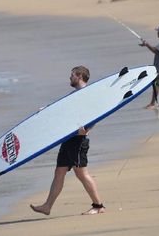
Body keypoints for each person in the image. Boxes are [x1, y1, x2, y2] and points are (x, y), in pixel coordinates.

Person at [30, 66, 105, 216]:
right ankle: (47, 206)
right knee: (59, 172)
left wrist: (87, 128)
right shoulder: (75, 94)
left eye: (72, 75)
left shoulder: (87, 94)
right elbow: (63, 108)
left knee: (81, 174)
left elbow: (96, 112)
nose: (69, 78)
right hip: (68, 139)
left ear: (79, 76)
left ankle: (98, 206)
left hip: (78, 141)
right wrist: (46, 109)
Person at [139, 25, 159, 109]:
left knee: (156, 85)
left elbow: (155, 50)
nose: (157, 33)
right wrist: (146, 45)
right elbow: (156, 51)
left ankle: (152, 103)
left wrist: (147, 44)